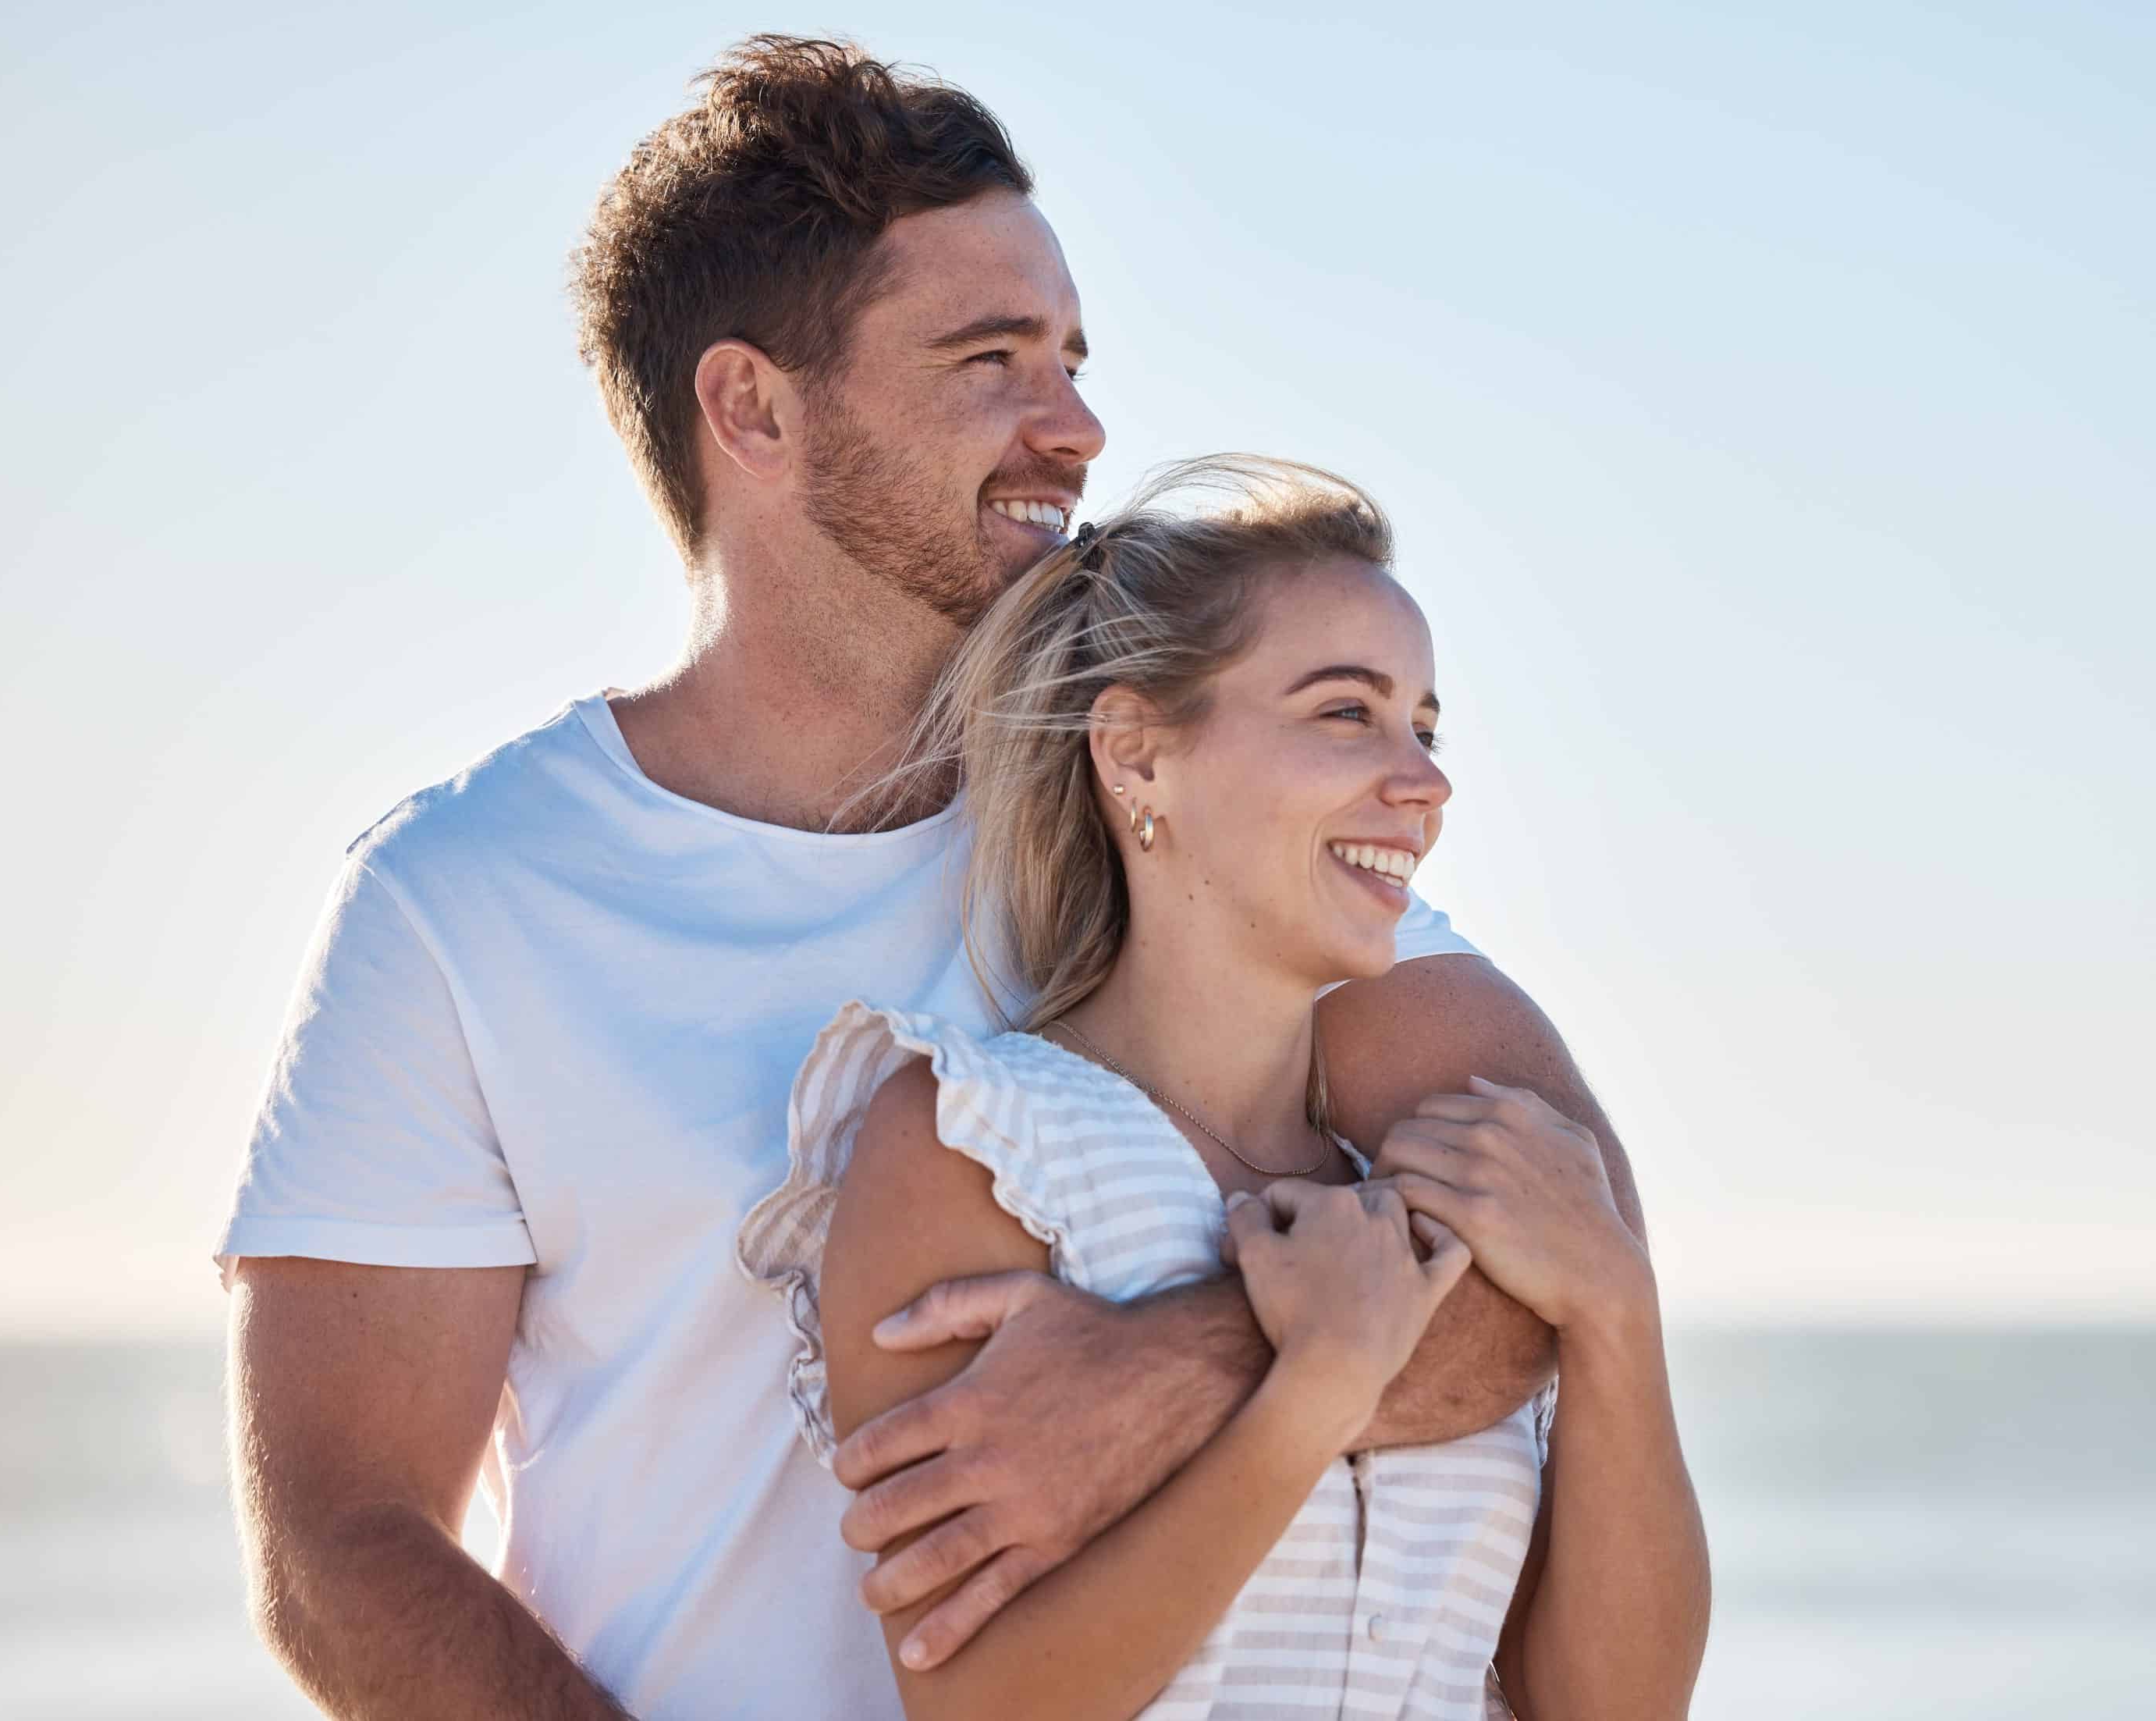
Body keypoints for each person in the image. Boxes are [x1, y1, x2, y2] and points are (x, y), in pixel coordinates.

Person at [218, 36, 1666, 1720]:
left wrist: (1163, 1371)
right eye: (992, 361)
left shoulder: (1172, 811)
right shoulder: (460, 904)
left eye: (1070, 356)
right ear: (753, 407)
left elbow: (1554, 1260)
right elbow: (344, 1544)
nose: (1079, 427)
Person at [741, 459, 1708, 1719]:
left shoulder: (1441, 1187)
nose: (1423, 784)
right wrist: (1311, 1389)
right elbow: (979, 1706)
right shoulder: (974, 1139)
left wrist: (1617, 1311)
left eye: (1423, 726)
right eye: (1345, 714)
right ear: (1137, 755)